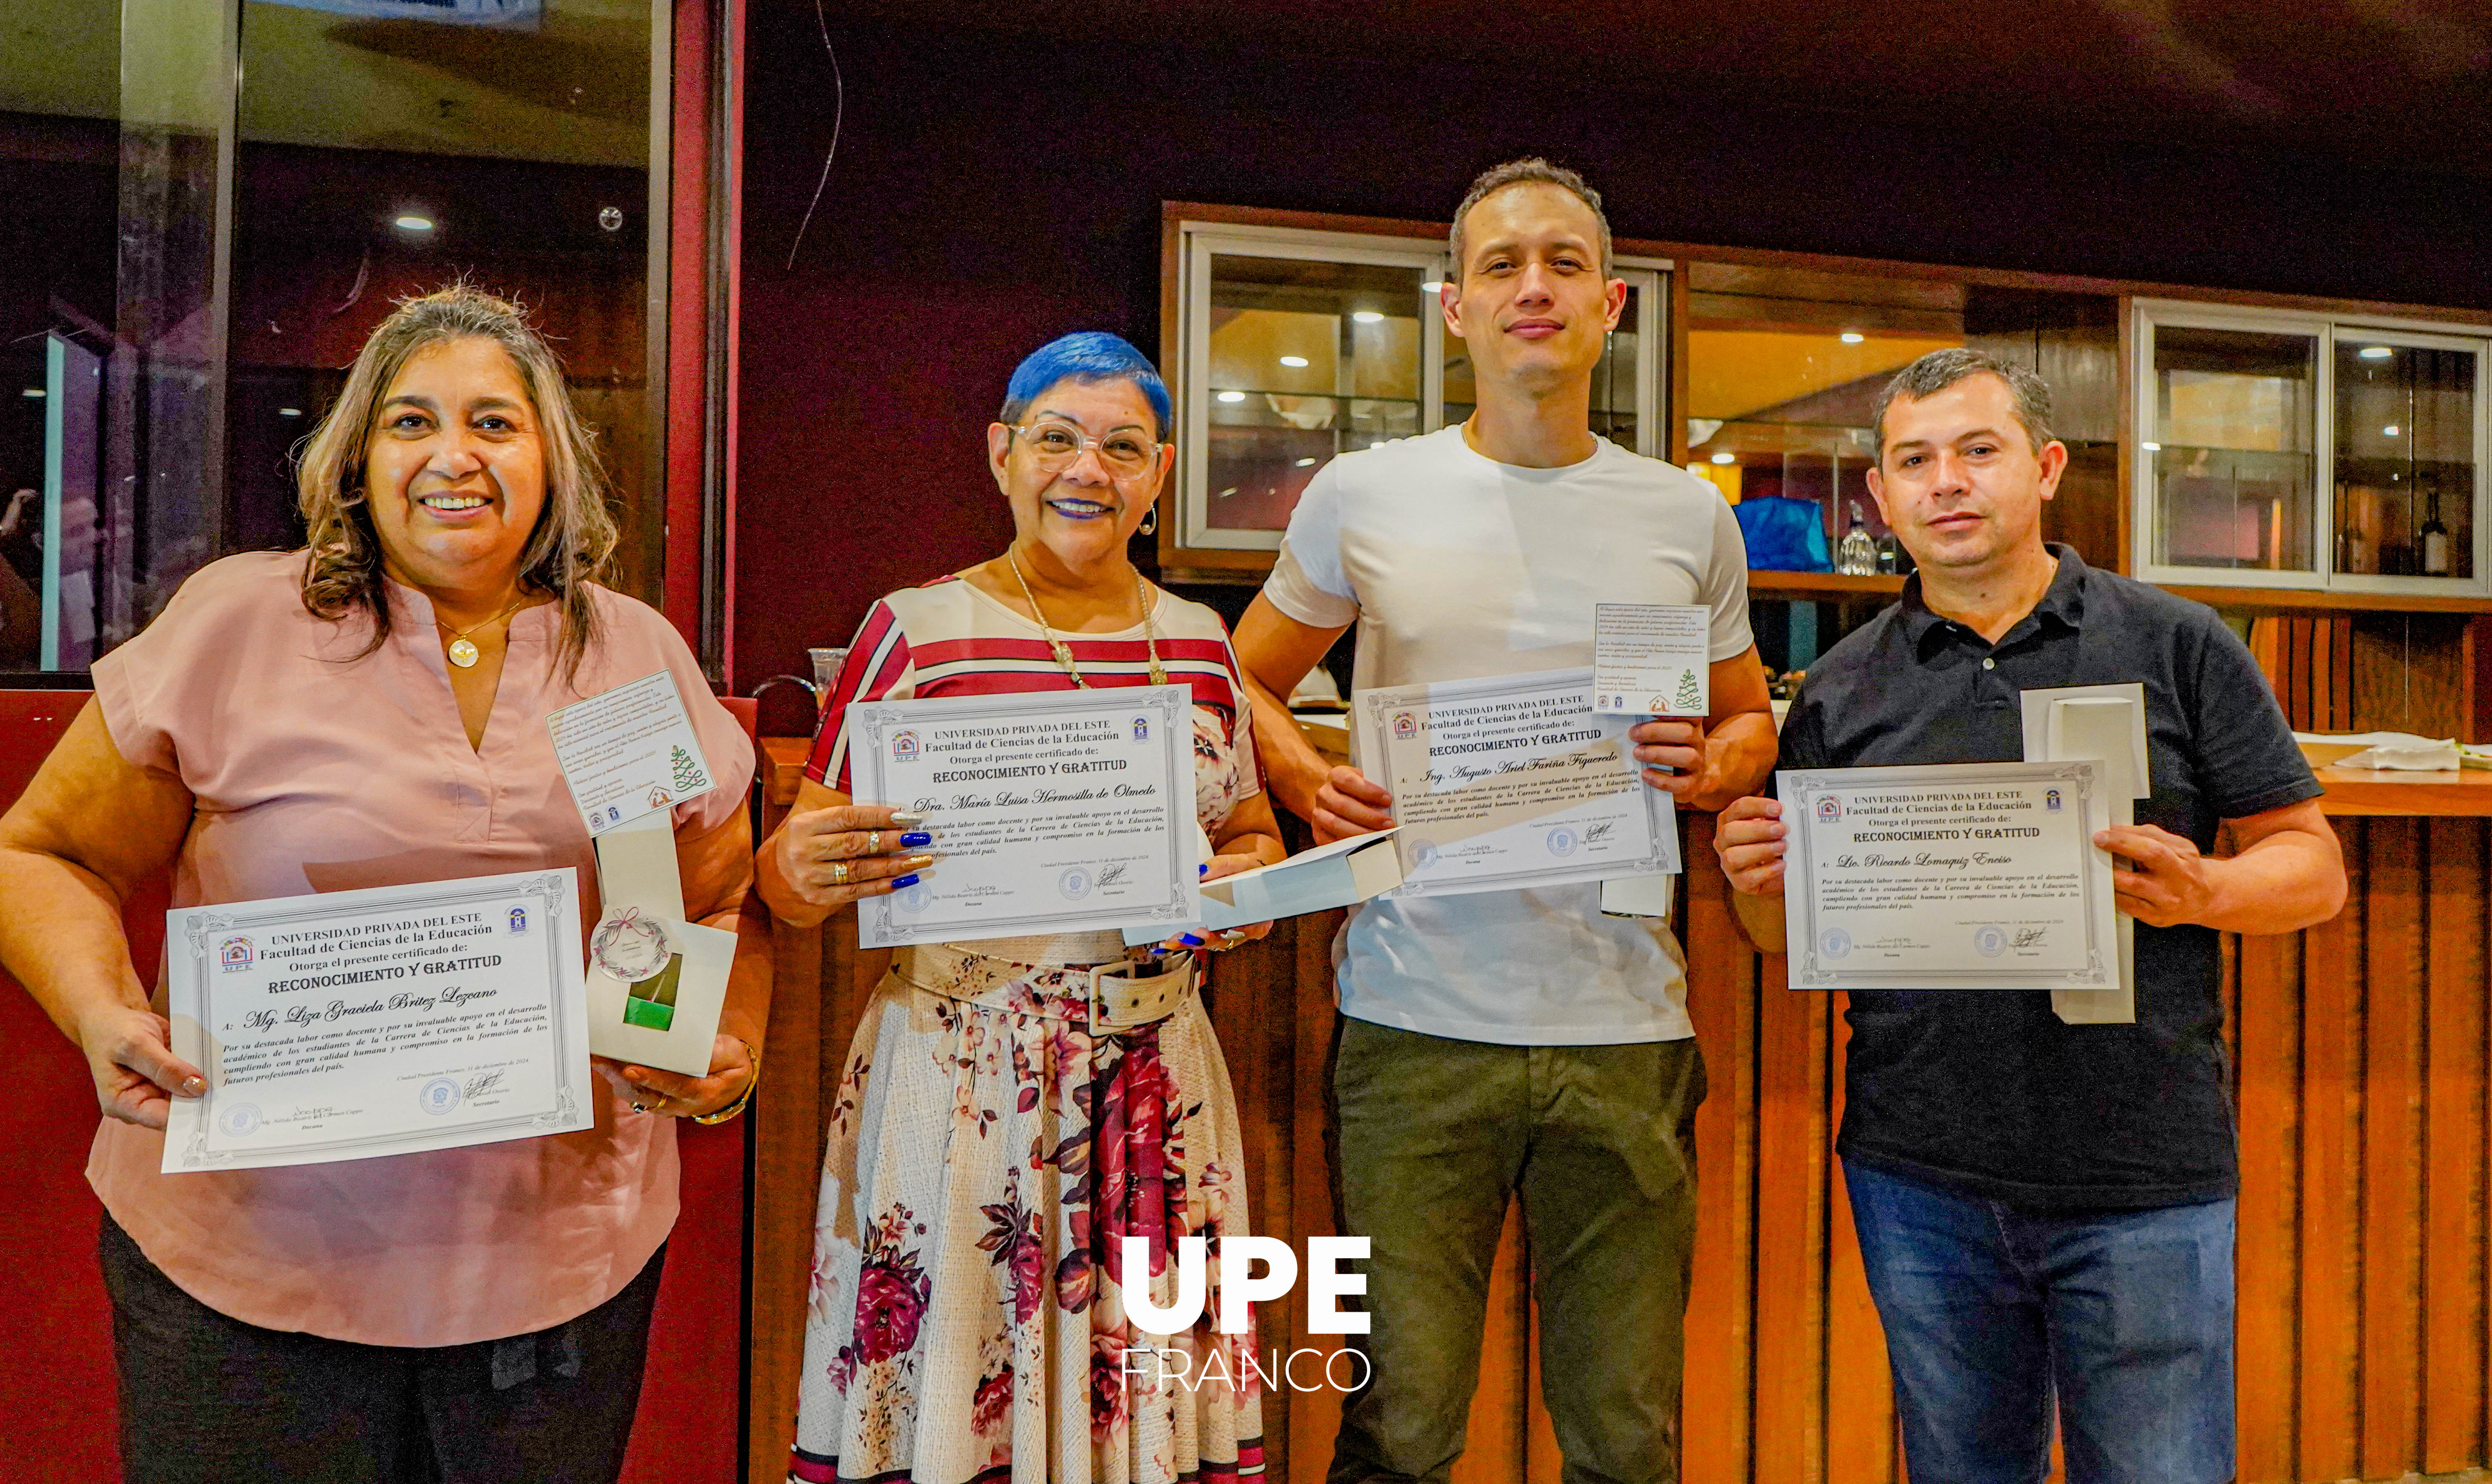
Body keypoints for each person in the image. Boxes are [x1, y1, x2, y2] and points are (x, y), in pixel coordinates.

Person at [0, 286, 763, 1484]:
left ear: (553, 461)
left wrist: (697, 1047)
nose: (453, 456)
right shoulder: (239, 623)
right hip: (247, 1275)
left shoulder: (628, 652)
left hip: (555, 1280)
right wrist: (100, 1014)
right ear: (359, 458)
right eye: (412, 422)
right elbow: (44, 852)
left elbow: (694, 900)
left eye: (495, 425)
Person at [1231, 159, 1778, 1484]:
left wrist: (1711, 768)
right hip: (1415, 1026)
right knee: (1401, 1431)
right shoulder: (1366, 494)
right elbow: (1241, 679)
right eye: (1500, 265)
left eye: (1565, 263)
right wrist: (1308, 783)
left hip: (1629, 1032)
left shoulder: (1686, 513)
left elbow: (1752, 722)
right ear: (1454, 309)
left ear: (1611, 309)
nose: (1534, 287)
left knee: (1626, 1436)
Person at [1713, 348, 2347, 1484]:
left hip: (2143, 1168)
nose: (1945, 481)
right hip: (1922, 1175)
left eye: (1978, 450)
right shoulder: (1841, 689)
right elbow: (1789, 943)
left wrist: (2204, 887)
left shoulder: (2177, 643)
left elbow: (2312, 869)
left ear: (2046, 469)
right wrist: (1759, 881)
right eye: (1914, 461)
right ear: (1881, 498)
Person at [766, 332, 1284, 1484]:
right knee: (958, 1399)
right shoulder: (915, 630)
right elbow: (795, 864)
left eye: (1122, 447)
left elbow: (1251, 831)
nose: (1085, 469)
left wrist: (1240, 893)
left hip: (1154, 1076)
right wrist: (801, 868)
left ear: (1157, 477)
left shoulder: (1201, 646)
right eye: (1056, 438)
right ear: (1002, 454)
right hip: (959, 1070)